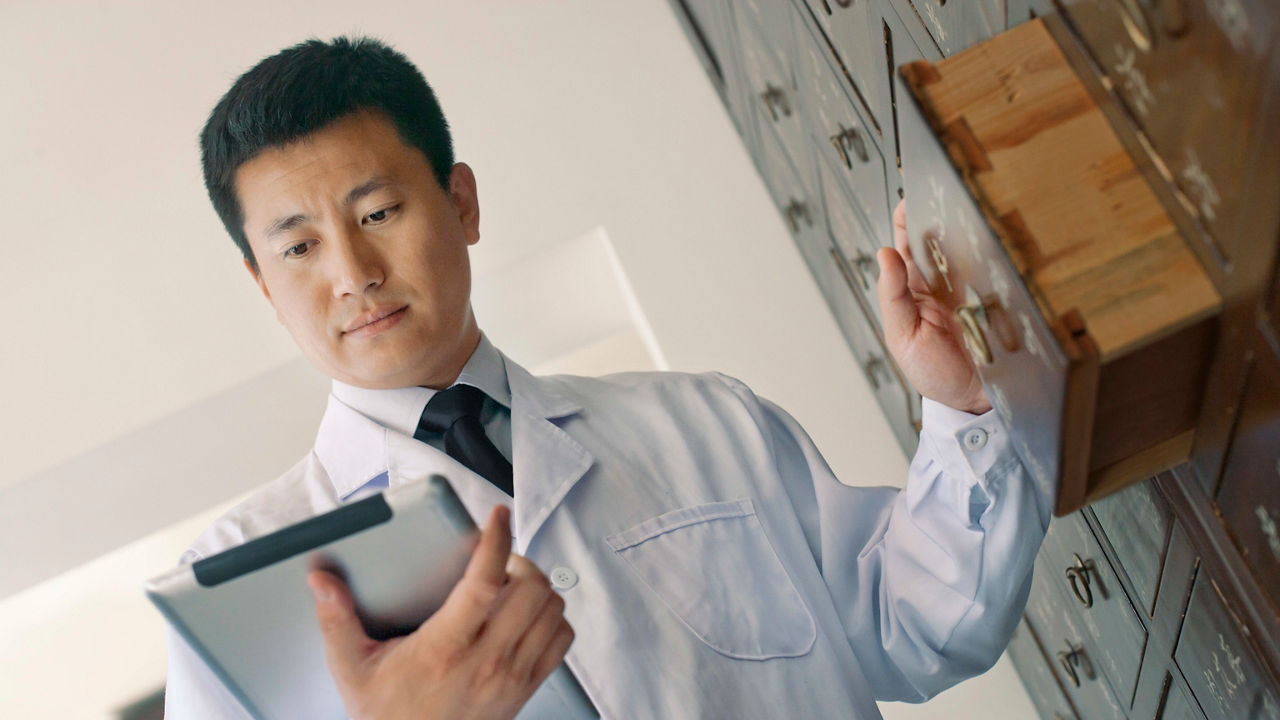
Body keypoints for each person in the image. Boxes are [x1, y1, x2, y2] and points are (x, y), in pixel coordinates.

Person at [163, 35, 1053, 719]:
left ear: (461, 203)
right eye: (300, 247)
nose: (353, 272)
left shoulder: (705, 420)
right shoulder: (241, 584)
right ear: (264, 285)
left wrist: (962, 403)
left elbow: (918, 626)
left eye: (380, 211)